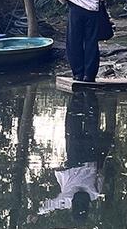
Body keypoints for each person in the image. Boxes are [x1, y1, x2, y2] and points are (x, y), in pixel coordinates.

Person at [35, 91, 114, 220]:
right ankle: (80, 96)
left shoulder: (94, 194)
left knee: (89, 124)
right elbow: (50, 205)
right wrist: (37, 213)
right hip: (75, 158)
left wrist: (38, 213)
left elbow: (100, 174)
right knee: (75, 125)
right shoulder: (67, 200)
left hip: (88, 159)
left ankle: (87, 96)